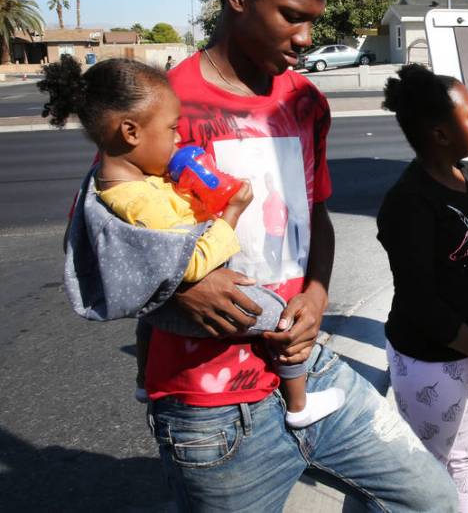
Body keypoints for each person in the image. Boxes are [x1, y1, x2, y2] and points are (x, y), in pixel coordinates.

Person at [77, 0, 457, 511]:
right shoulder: (166, 107)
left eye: (312, 22)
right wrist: (179, 293)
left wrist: (317, 295)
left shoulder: (306, 102)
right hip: (210, 410)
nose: (305, 38)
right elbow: (108, 241)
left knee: (432, 499)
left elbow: (319, 214)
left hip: (307, 366)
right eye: (291, 17)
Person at [45, 55, 345, 428]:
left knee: (147, 327)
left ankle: (142, 380)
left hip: (172, 329)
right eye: (172, 129)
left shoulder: (111, 181)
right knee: (281, 319)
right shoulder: (142, 201)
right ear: (130, 132)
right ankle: (299, 404)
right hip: (208, 389)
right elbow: (193, 260)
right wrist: (231, 211)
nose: (177, 137)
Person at [377, 64, 468, 512]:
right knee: (422, 470)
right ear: (441, 134)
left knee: (465, 460)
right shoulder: (408, 203)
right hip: (432, 363)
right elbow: (420, 302)